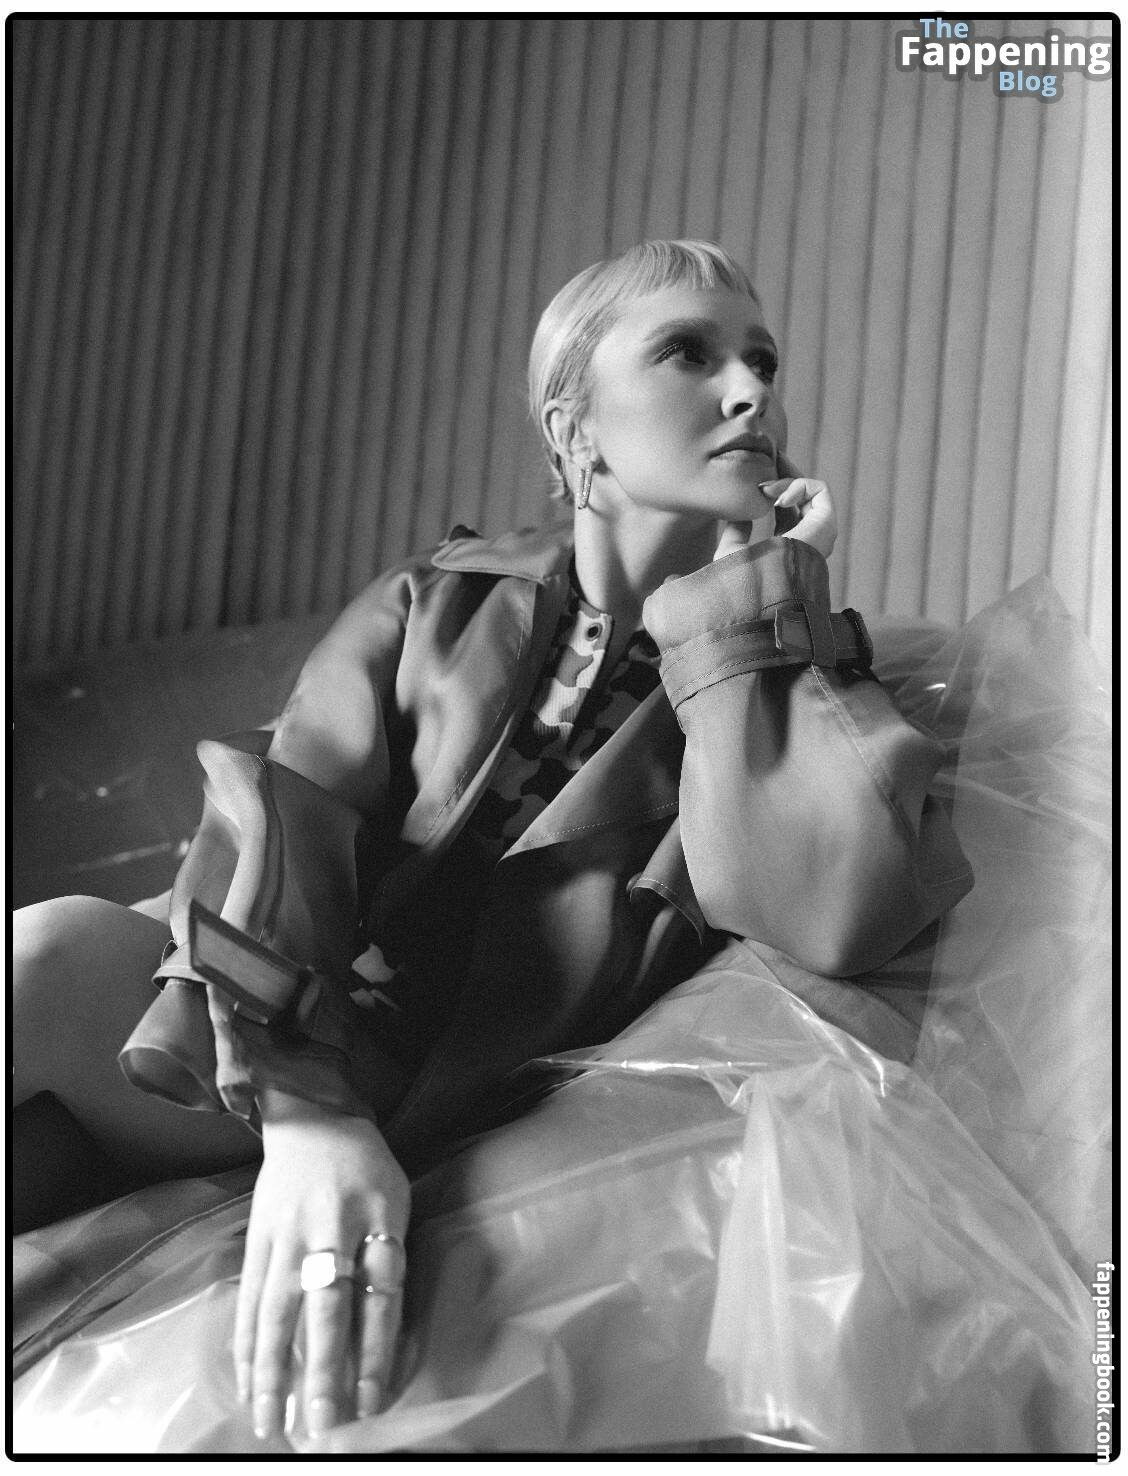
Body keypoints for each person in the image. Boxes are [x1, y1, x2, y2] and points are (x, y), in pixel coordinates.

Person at [12, 240, 973, 1446]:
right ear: (576, 427)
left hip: (474, 1103)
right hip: (271, 1030)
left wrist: (754, 609)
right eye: (690, 353)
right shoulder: (435, 597)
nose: (751, 393)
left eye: (763, 363)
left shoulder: (779, 664)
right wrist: (307, 1111)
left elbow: (833, 912)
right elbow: (283, 811)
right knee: (43, 970)